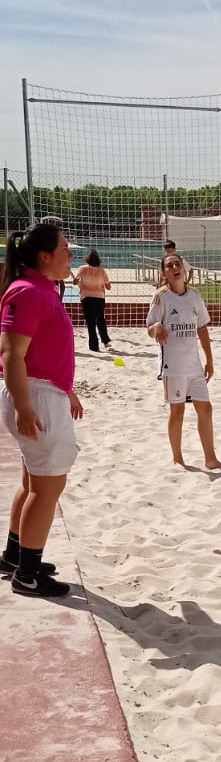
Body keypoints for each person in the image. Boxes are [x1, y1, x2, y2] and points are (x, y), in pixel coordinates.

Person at [0, 223, 83, 597]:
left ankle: (15, 556)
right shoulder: (28, 292)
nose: (71, 254)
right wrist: (23, 406)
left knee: (33, 482)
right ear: (44, 256)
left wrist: (67, 391)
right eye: (65, 249)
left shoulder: (43, 289)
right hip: (35, 396)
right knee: (48, 486)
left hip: (42, 392)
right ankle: (28, 574)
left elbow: (43, 352)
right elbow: (12, 354)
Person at [146, 252, 221, 469]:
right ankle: (178, 459)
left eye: (177, 264)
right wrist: (156, 327)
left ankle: (210, 458)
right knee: (177, 411)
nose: (174, 268)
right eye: (169, 266)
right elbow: (149, 329)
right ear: (164, 274)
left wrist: (209, 360)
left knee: (206, 409)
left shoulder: (195, 295)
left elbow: (202, 328)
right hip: (173, 365)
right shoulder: (161, 296)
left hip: (194, 365)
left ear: (184, 268)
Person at [73, 248, 112, 352]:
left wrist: (79, 281)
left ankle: (94, 346)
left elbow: (75, 282)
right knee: (101, 319)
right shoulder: (102, 271)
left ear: (87, 259)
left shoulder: (82, 269)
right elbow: (108, 287)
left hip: (86, 297)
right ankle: (106, 341)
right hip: (99, 297)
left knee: (90, 322)